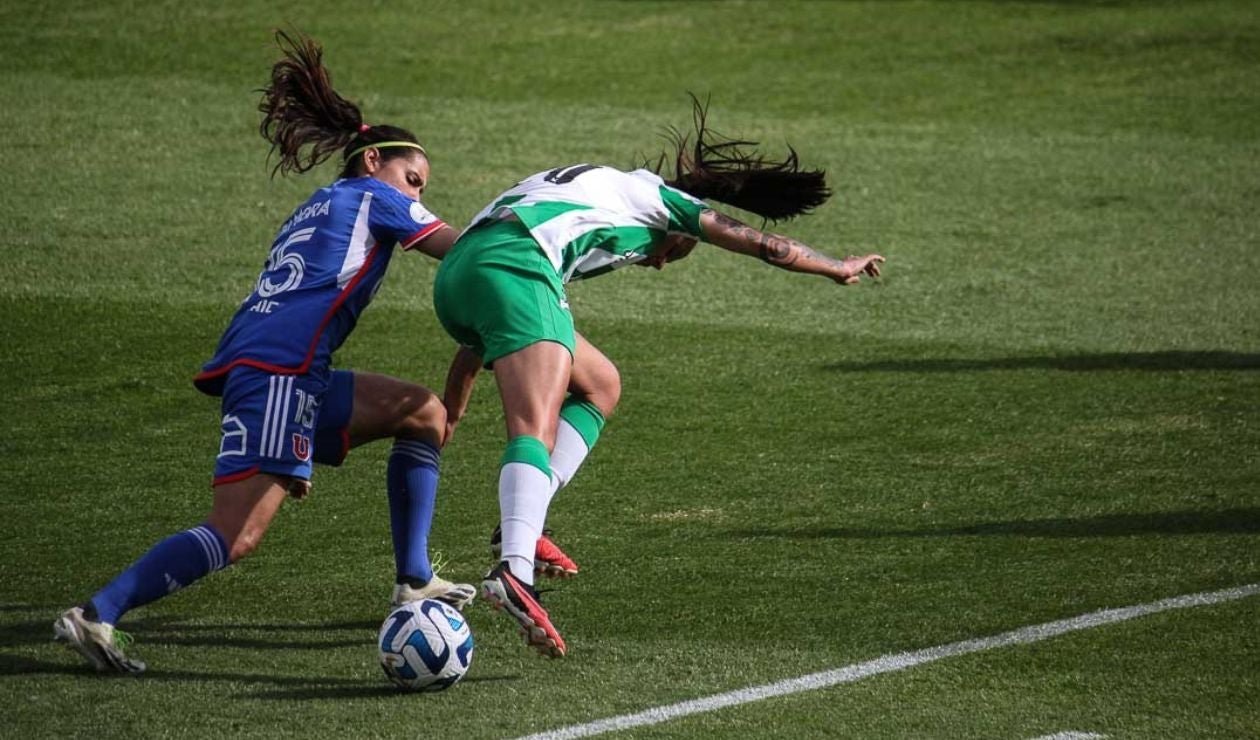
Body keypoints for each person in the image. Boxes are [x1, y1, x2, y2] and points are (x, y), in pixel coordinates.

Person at [53, 31, 475, 674]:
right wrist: (535, 236)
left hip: (285, 370)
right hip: (284, 374)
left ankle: (414, 580)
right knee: (237, 532)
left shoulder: (321, 203)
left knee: (422, 412)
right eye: (412, 180)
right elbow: (464, 249)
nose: (415, 195)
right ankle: (98, 613)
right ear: (373, 163)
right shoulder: (374, 197)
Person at [433, 99, 884, 658]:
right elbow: (764, 245)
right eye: (678, 250)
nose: (664, 262)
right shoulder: (664, 203)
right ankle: (514, 573)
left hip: (460, 274)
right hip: (515, 266)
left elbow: (488, 311)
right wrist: (834, 266)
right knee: (535, 426)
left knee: (601, 384)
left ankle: (525, 518)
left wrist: (455, 401)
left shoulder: (595, 189)